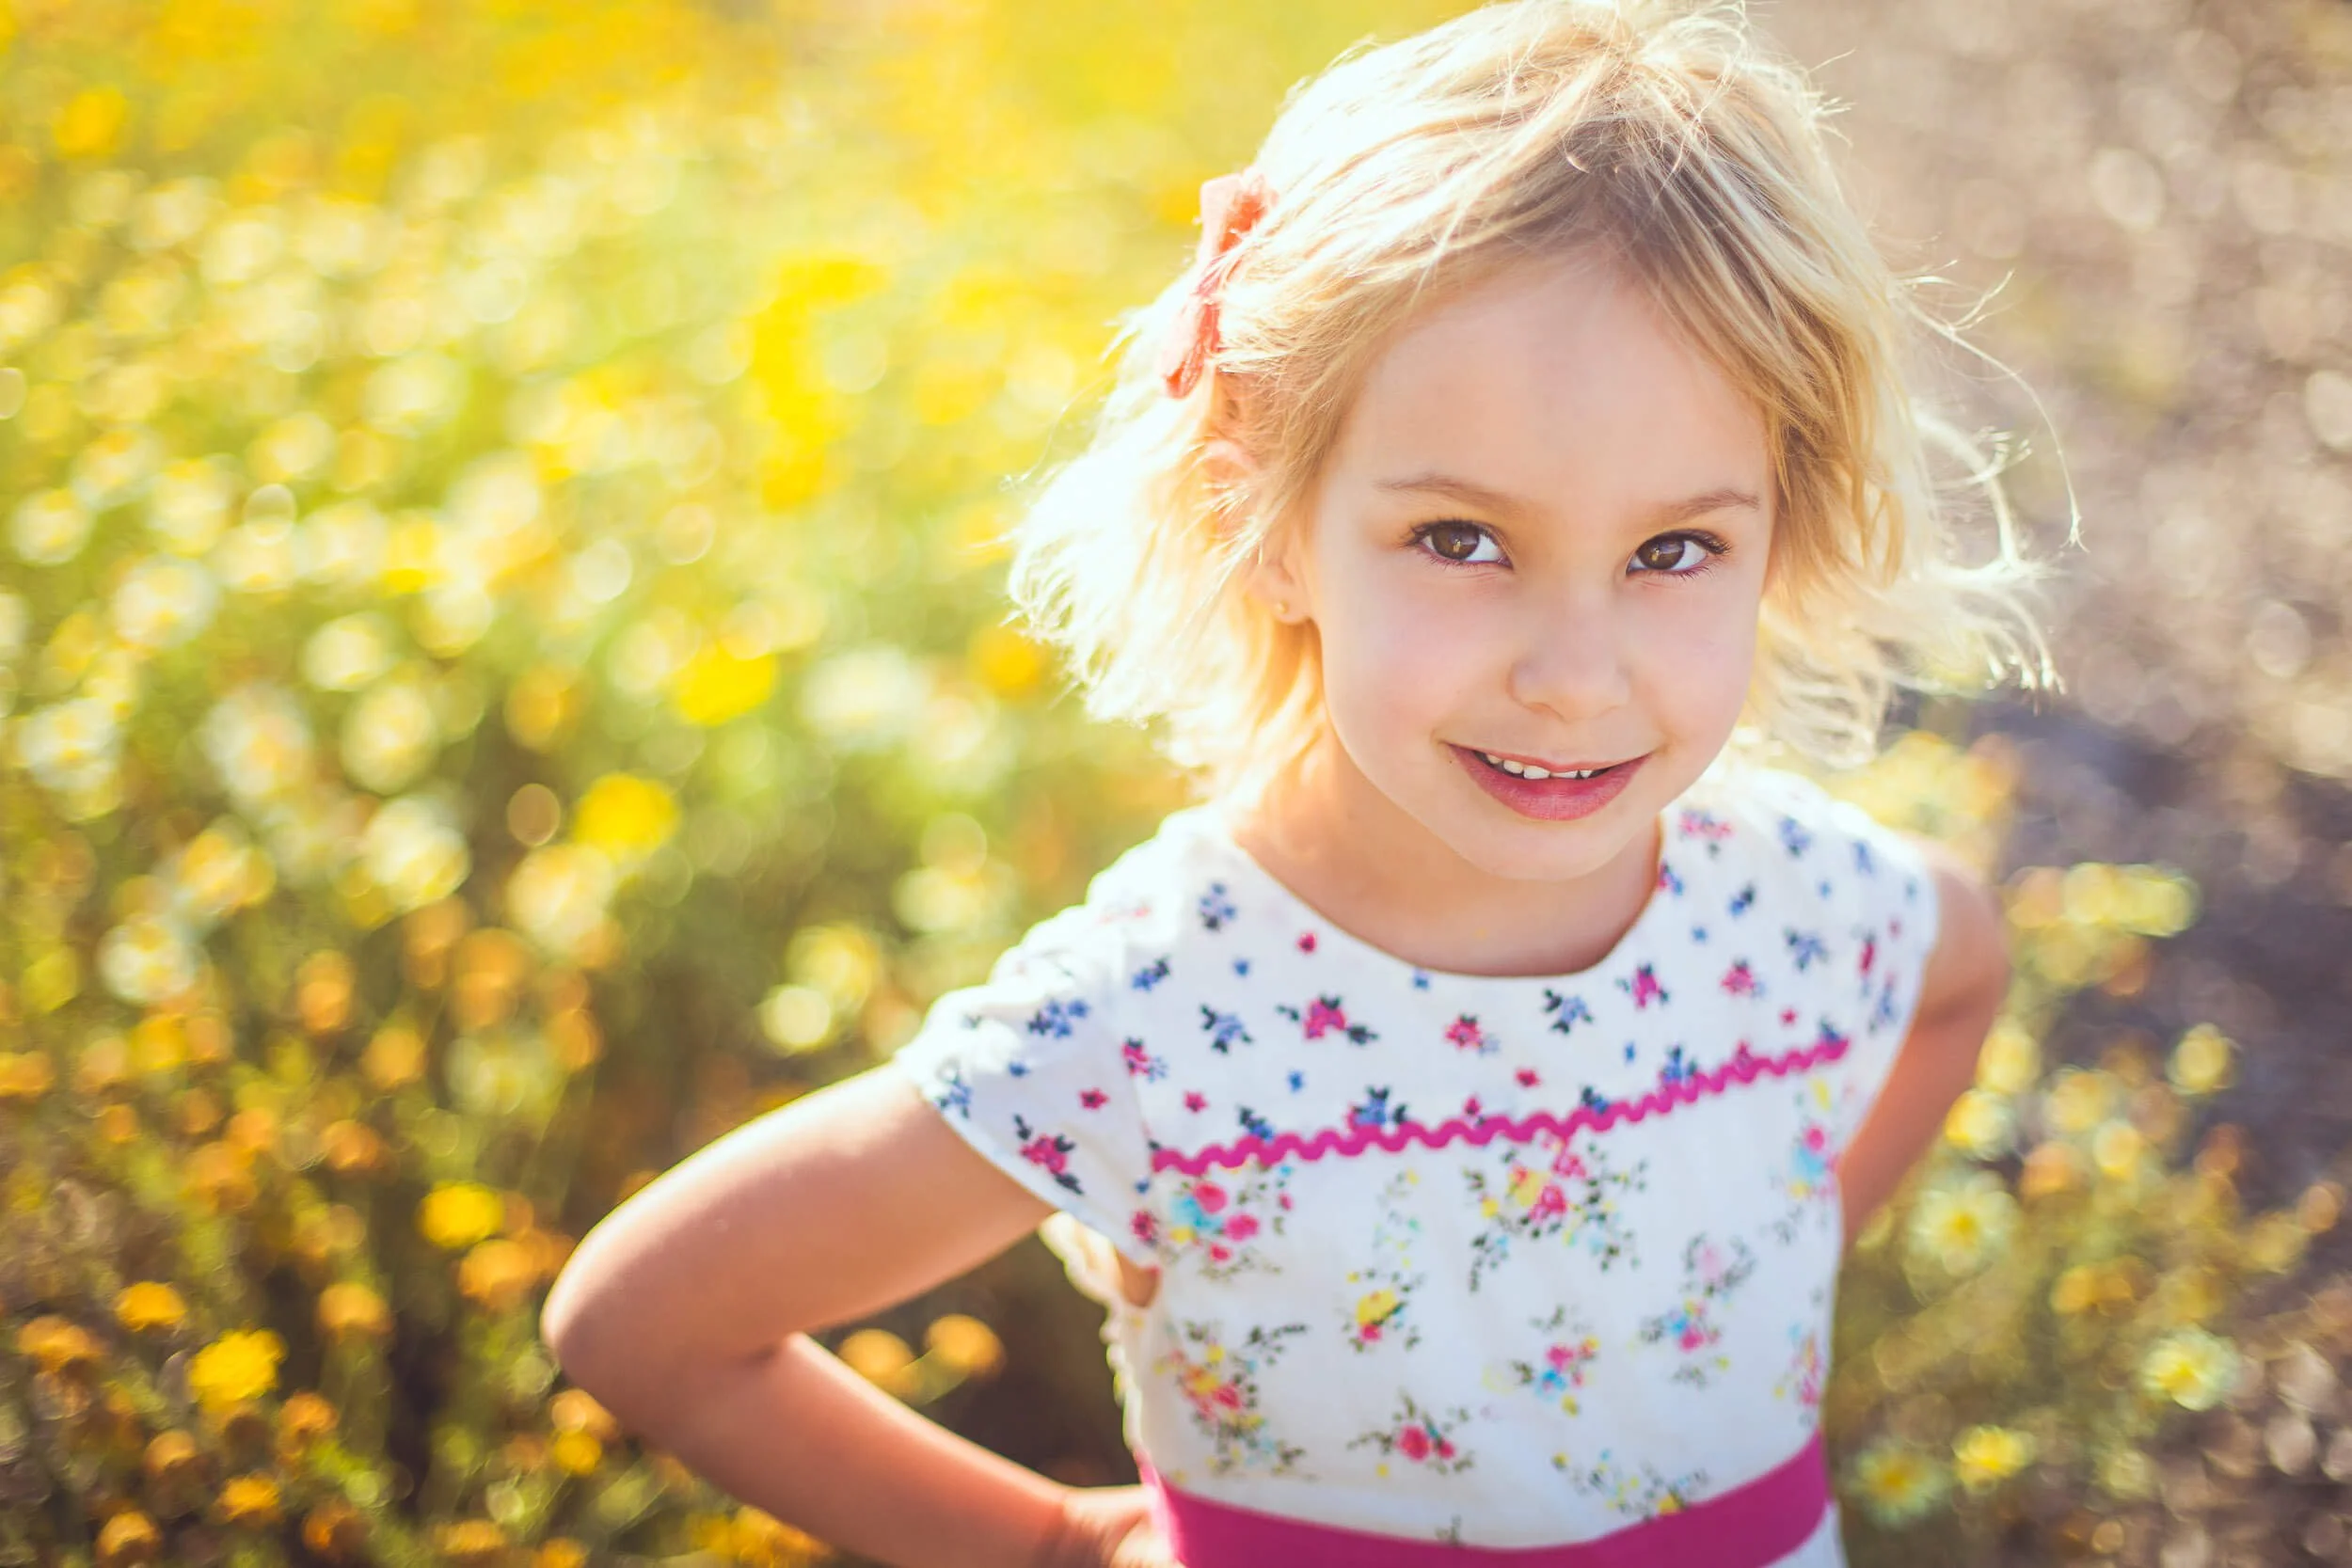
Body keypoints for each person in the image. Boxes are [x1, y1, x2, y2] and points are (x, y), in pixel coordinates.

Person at [540, 1, 2055, 1563]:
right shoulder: (1164, 1019)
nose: (1575, 672)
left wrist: (1789, 1254)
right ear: (1261, 506)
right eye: (1462, 539)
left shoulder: (1797, 906)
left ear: (1778, 531)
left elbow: (1962, 974)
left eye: (1675, 549)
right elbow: (647, 1320)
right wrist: (1060, 1540)